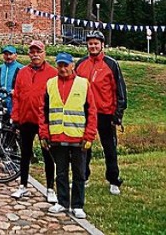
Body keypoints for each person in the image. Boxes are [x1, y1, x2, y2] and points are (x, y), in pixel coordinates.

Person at [39, 53, 97, 219]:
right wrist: (44, 133)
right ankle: (63, 202)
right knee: (61, 172)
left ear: (72, 65)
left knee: (79, 173)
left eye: (66, 65)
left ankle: (78, 205)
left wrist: (89, 135)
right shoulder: (50, 84)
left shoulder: (83, 84)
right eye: (60, 65)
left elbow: (92, 111)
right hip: (57, 136)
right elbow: (42, 111)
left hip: (78, 137)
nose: (63, 69)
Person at [75, 30, 127, 195]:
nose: (93, 46)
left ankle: (113, 180)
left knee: (109, 147)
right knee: (84, 148)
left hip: (106, 112)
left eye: (96, 43)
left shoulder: (111, 64)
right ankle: (84, 178)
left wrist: (118, 114)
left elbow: (120, 90)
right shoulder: (81, 64)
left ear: (102, 45)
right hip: (85, 111)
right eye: (90, 43)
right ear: (87, 45)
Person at [11, 40, 58, 203]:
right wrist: (15, 117)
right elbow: (16, 95)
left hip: (44, 120)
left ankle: (50, 188)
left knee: (48, 154)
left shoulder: (52, 73)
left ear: (44, 53)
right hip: (26, 118)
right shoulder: (22, 72)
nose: (35, 55)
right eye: (32, 52)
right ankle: (23, 185)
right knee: (25, 154)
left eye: (38, 51)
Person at [0, 45, 24, 114]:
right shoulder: (0, 69)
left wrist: (16, 92)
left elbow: (24, 86)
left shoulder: (21, 69)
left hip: (14, 101)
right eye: (6, 54)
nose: (8, 57)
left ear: (15, 55)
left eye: (10, 54)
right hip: (1, 100)